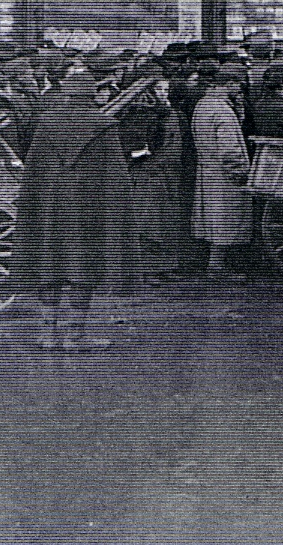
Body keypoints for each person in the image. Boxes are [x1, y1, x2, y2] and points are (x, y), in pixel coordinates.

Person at [14, 64, 140, 350]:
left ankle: (47, 335)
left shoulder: (46, 123)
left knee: (50, 264)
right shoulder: (104, 125)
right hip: (88, 206)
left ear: (66, 95)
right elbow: (117, 175)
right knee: (83, 265)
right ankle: (75, 336)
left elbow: (34, 168)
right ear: (92, 95)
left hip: (50, 203)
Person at [119, 71, 190, 281]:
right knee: (148, 222)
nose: (162, 93)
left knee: (167, 221)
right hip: (148, 174)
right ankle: (146, 270)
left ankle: (165, 266)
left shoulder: (171, 114)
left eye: (165, 89)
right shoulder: (137, 116)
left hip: (168, 173)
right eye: (158, 89)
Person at [191, 66, 254, 276]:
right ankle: (217, 266)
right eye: (238, 84)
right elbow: (229, 147)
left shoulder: (202, 105)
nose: (240, 89)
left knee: (213, 219)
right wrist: (240, 171)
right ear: (229, 84)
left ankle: (214, 263)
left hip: (206, 170)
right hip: (224, 174)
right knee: (226, 219)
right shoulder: (223, 111)